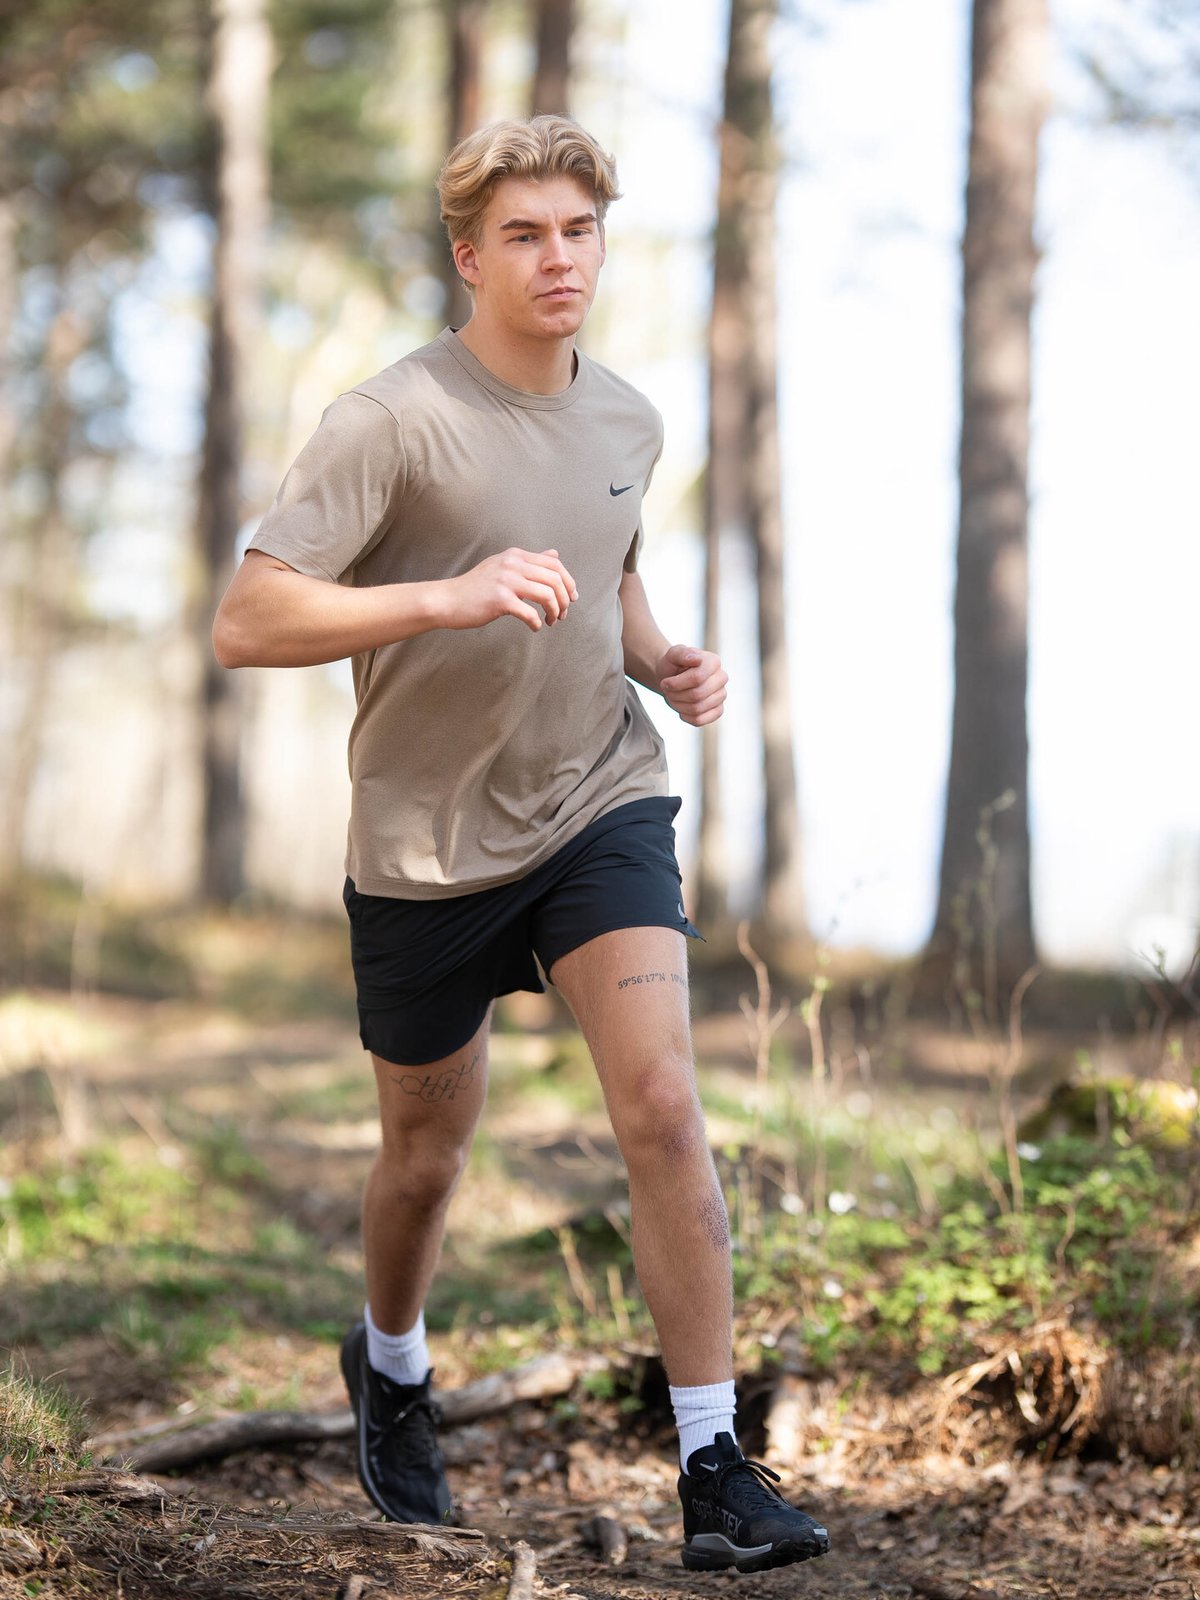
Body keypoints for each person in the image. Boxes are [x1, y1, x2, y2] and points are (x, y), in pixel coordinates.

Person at [212, 114, 829, 1576]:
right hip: (425, 851)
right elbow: (250, 619)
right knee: (425, 1160)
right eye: (528, 235)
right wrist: (443, 596)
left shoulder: (626, 418)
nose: (561, 259)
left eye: (582, 231)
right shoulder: (389, 419)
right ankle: (394, 1360)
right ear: (468, 253)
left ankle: (712, 1462)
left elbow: (603, 562)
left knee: (665, 1107)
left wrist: (660, 659)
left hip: (594, 804)